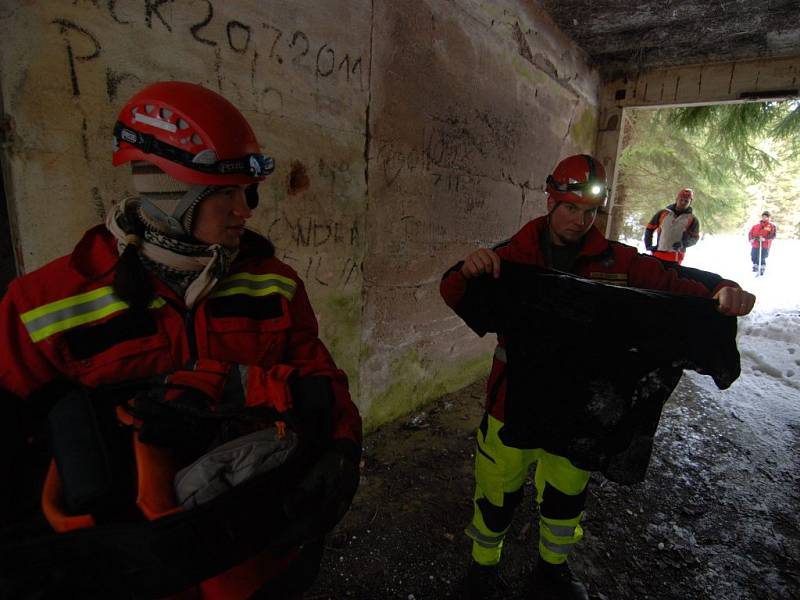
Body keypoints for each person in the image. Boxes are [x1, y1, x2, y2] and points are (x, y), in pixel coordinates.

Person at [0, 81, 362, 599]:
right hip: (131, 573)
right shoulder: (42, 303)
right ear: (171, 195)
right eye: (227, 194)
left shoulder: (274, 283)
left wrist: (343, 449)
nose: (246, 210)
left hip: (257, 558)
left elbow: (319, 377)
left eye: (248, 192)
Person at [440, 154, 755, 600]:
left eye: (589, 212)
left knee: (566, 496)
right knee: (496, 494)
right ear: (551, 202)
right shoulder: (513, 256)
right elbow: (453, 289)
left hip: (580, 408)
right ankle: (482, 570)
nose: (580, 221)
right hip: (512, 402)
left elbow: (674, 280)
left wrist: (723, 290)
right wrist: (467, 269)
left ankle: (551, 571)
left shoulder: (618, 263)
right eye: (570, 208)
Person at [644, 188, 700, 264]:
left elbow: (694, 238)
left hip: (677, 256)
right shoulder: (663, 213)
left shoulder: (693, 219)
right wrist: (648, 245)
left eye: (686, 201)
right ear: (677, 199)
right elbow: (649, 228)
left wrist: (683, 244)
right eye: (681, 199)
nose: (683, 202)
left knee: (671, 275)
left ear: (690, 202)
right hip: (659, 253)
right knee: (654, 274)